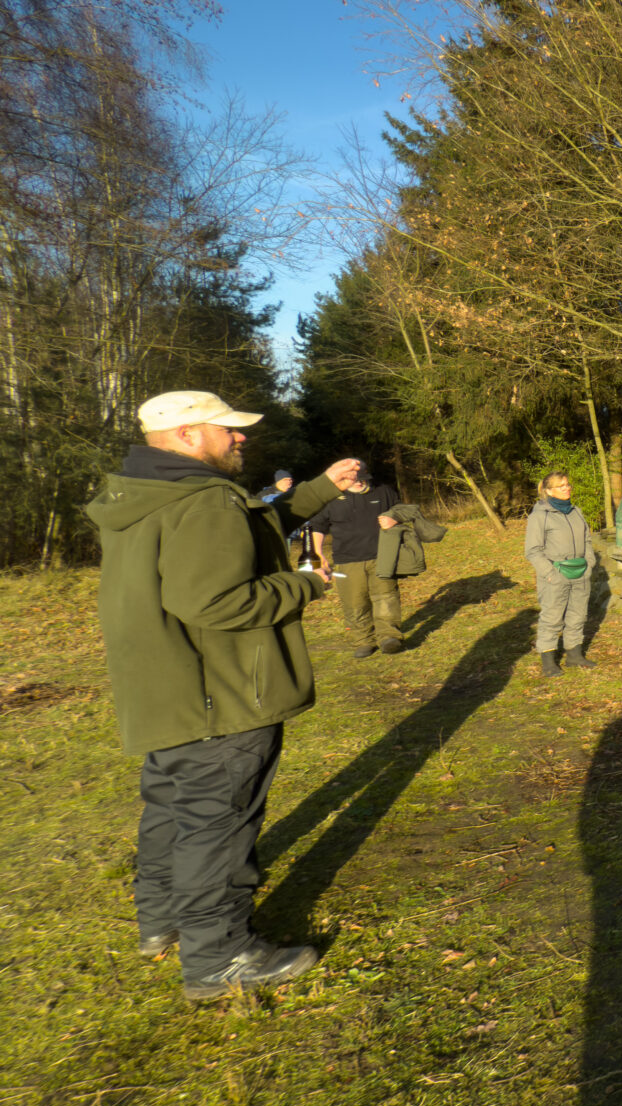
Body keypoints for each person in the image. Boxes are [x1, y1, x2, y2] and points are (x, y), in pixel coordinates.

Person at [86, 390, 358, 1000]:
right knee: (218, 824)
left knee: (171, 811)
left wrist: (320, 488)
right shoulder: (205, 501)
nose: (241, 436)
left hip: (167, 693)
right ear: (187, 435)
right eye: (227, 428)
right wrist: (305, 585)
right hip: (221, 695)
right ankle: (218, 956)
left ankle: (161, 921)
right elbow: (216, 601)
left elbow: (247, 531)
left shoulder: (148, 494)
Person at [307, 462, 404, 658]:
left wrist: (395, 519)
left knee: (386, 597)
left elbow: (403, 511)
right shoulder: (331, 498)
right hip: (347, 560)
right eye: (353, 480)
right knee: (354, 602)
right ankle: (364, 641)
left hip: (382, 556)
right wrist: (317, 554)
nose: (359, 483)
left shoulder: (383, 492)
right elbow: (317, 526)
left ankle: (389, 637)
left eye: (362, 479)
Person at [525, 470, 597, 678]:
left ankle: (574, 655)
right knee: (552, 617)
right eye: (561, 486)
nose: (567, 488)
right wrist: (550, 573)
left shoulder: (576, 512)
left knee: (578, 615)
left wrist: (589, 563)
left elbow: (587, 540)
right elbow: (533, 550)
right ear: (549, 491)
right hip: (555, 575)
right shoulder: (540, 516)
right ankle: (548, 662)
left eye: (567, 484)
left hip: (580, 572)